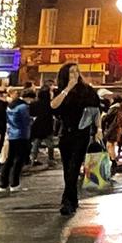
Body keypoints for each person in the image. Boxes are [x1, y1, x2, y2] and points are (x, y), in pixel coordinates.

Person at [50, 63, 100, 216]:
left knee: (74, 166)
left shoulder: (87, 91)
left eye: (77, 71)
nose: (75, 74)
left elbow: (96, 110)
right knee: (67, 168)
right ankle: (72, 199)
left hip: (82, 133)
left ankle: (67, 201)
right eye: (71, 72)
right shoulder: (60, 91)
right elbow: (53, 106)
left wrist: (98, 129)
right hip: (66, 133)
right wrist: (68, 88)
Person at [0, 89, 33, 192]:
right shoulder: (23, 107)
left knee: (9, 159)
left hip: (11, 134)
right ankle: (14, 183)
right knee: (19, 160)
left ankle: (3, 184)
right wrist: (32, 120)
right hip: (22, 135)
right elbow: (26, 121)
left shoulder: (11, 105)